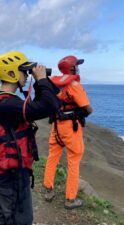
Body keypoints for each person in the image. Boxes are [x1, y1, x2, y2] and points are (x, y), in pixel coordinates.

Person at [0, 51, 60, 225]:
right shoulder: (8, 104)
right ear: (11, 74)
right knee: (21, 220)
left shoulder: (2, 101)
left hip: (4, 173)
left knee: (6, 216)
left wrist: (41, 83)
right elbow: (51, 106)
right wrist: (41, 79)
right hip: (12, 176)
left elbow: (40, 106)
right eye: (24, 71)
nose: (26, 75)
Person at [43, 56, 93, 209]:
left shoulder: (54, 83)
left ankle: (48, 190)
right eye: (76, 65)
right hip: (71, 128)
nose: (78, 68)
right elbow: (88, 109)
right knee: (74, 161)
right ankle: (70, 199)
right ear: (72, 68)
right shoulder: (74, 85)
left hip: (56, 126)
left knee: (53, 157)